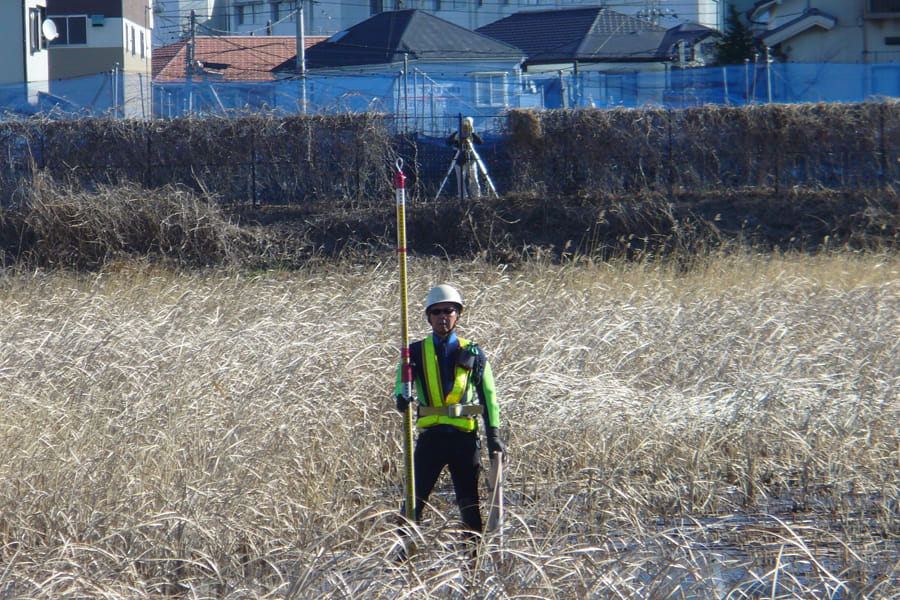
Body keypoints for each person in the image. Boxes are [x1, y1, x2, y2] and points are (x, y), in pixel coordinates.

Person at [394, 284, 505, 537]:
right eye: (436, 312)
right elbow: (401, 383)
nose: (443, 317)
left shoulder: (473, 352)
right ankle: (402, 562)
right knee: (412, 505)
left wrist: (494, 434)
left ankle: (472, 565)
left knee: (470, 508)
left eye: (449, 311)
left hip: (464, 440)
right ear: (429, 317)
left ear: (458, 315)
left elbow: (489, 397)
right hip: (430, 440)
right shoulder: (415, 352)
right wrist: (402, 395)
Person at [446, 117, 484, 199]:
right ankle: (463, 196)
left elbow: (480, 142)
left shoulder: (471, 133)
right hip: (459, 160)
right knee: (461, 180)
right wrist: (456, 138)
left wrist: (472, 133)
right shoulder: (457, 133)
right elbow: (448, 142)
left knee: (474, 178)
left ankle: (476, 196)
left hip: (471, 160)